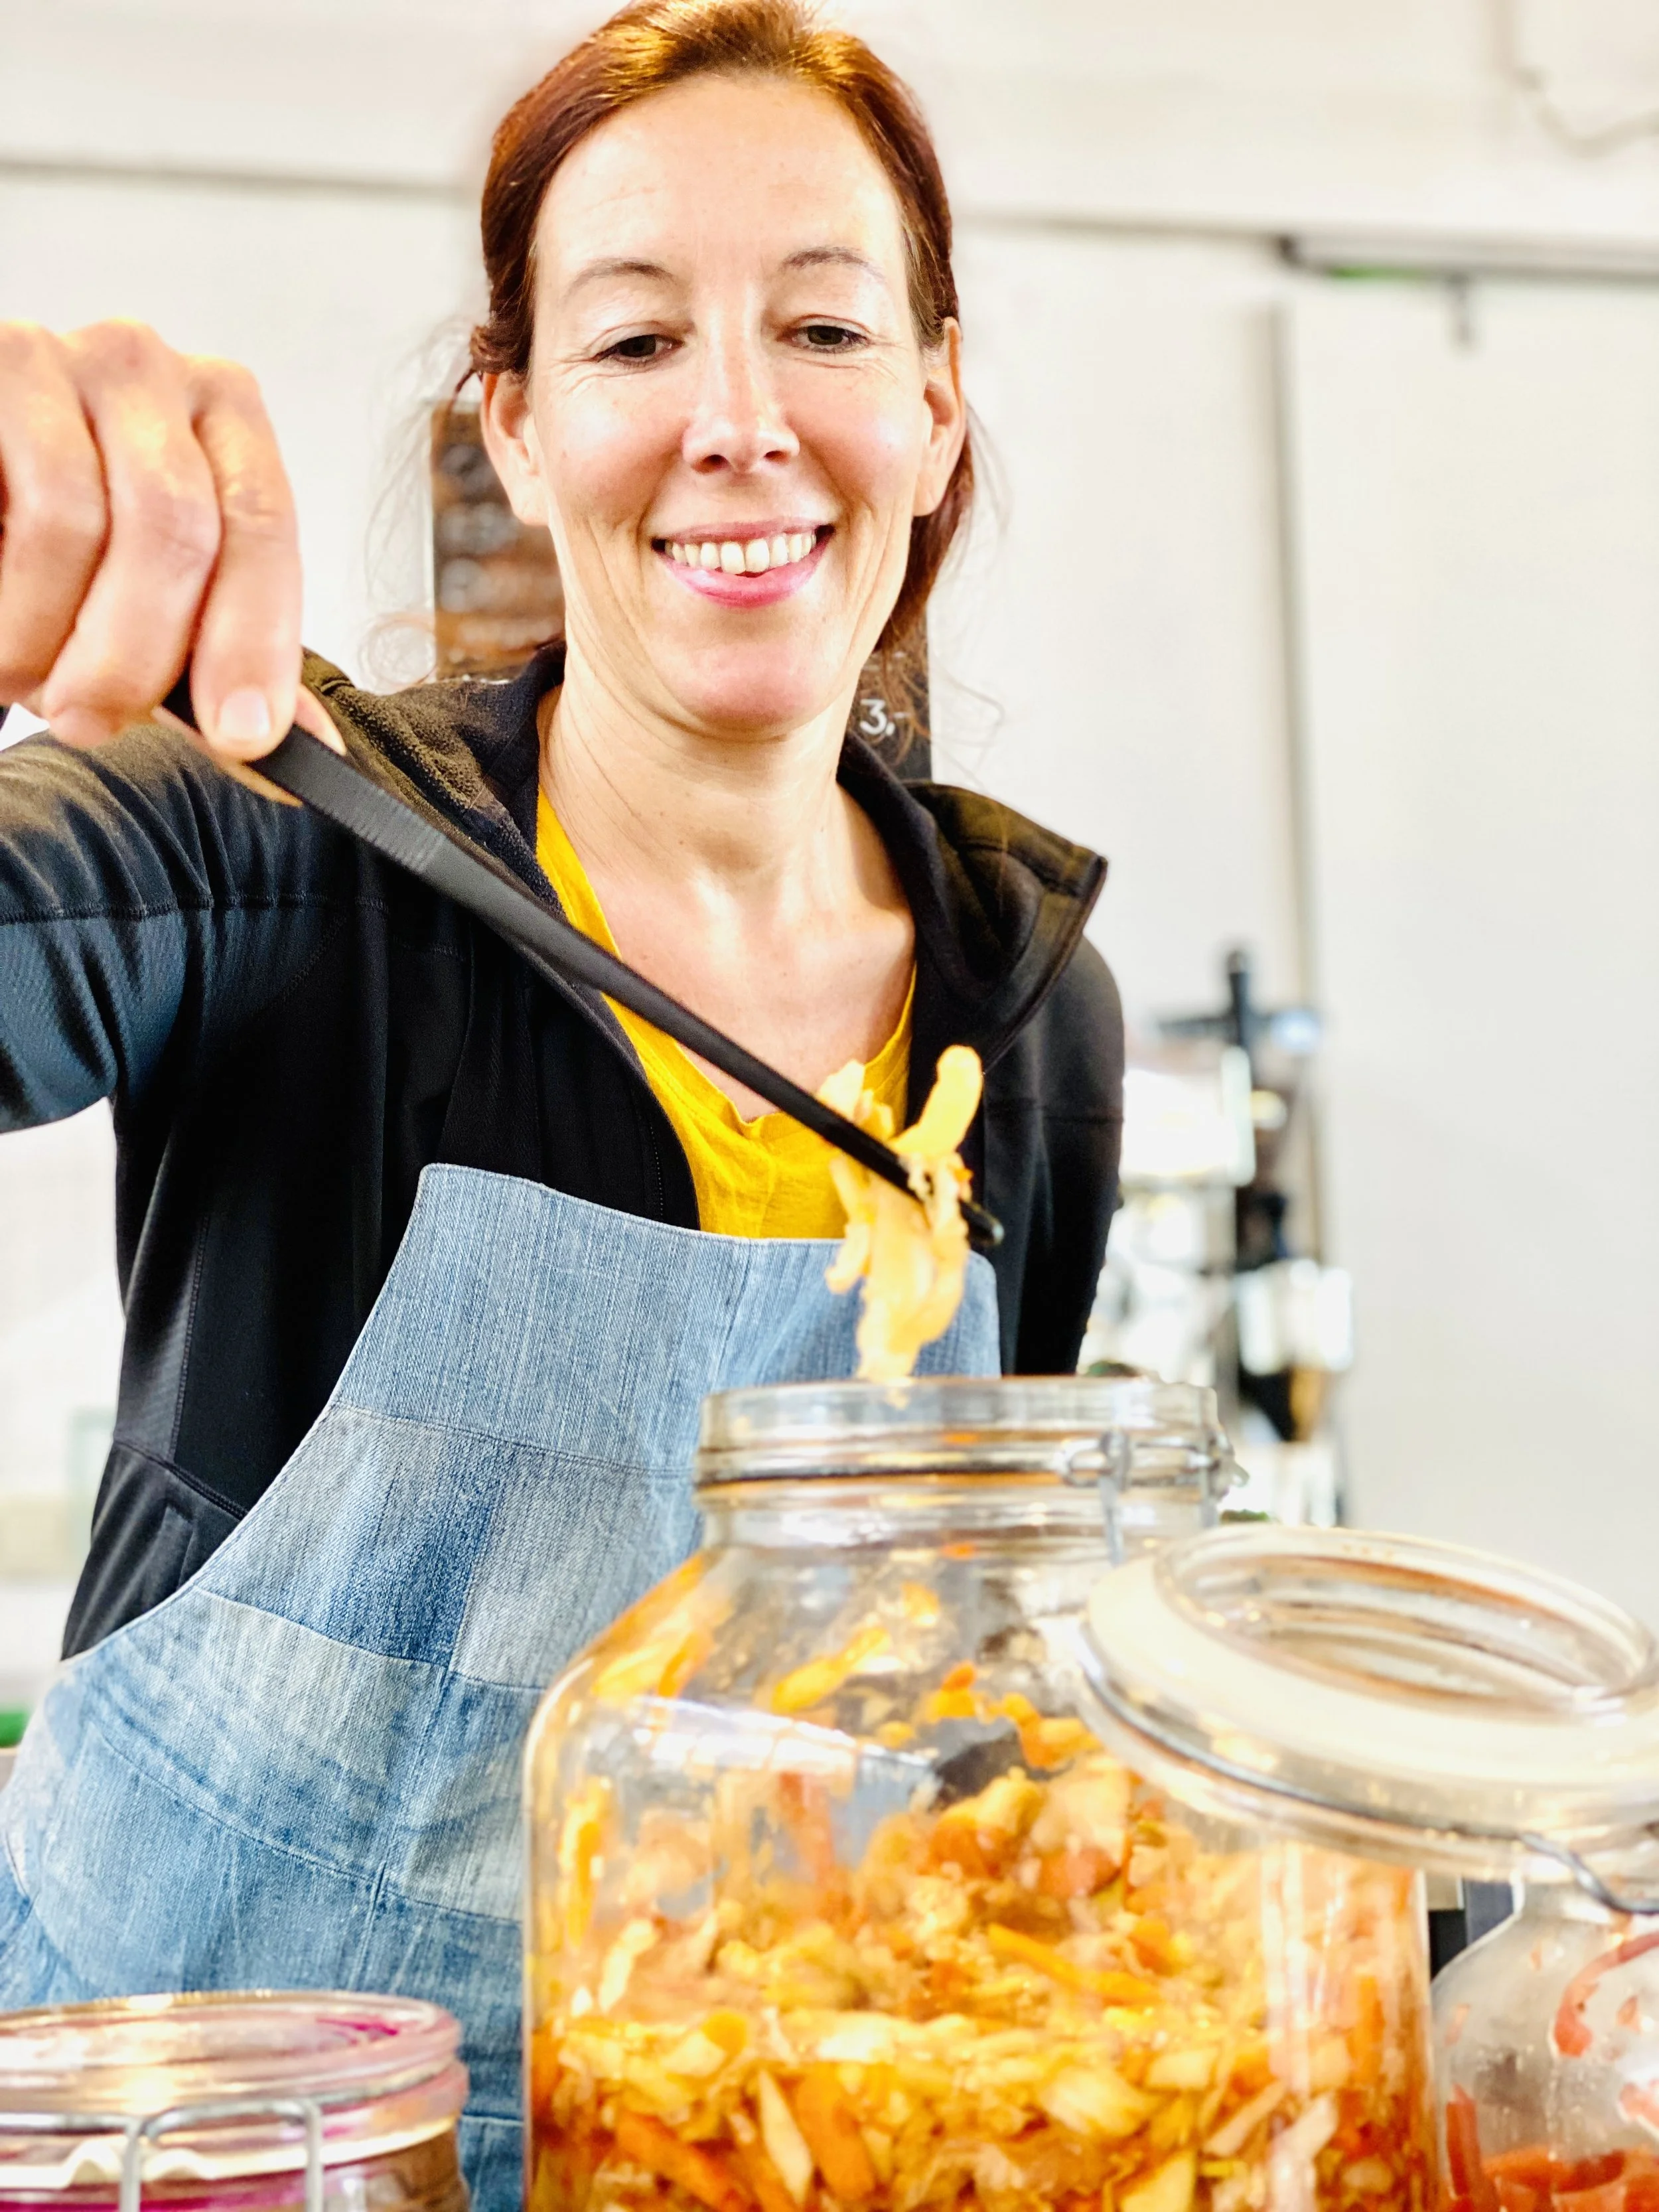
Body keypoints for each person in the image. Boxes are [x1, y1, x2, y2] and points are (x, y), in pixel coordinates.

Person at [0, 1, 1123, 2198]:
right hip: (206, 2151)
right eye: (628, 347)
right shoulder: (268, 839)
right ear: (510, 429)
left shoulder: (1028, 1009)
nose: (734, 423)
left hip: (751, 2146)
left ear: (934, 398)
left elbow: (971, 1667)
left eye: (819, 324)